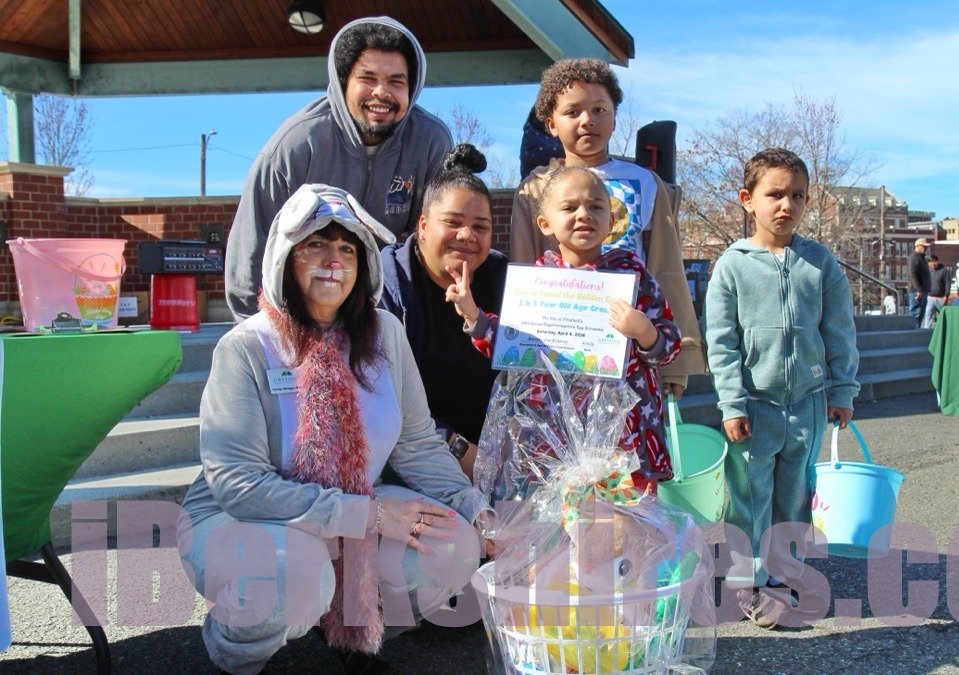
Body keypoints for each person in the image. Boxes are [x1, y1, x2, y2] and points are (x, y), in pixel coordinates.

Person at [180, 185, 484, 675]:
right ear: (285, 257)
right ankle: (236, 655)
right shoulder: (246, 347)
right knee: (291, 578)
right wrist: (369, 515)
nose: (333, 261)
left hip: (354, 502)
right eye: (315, 244)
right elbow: (237, 485)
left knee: (453, 543)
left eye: (348, 248)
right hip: (242, 516)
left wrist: (475, 509)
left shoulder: (385, 334)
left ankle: (353, 635)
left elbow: (416, 443)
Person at [447, 166, 681, 487]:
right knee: (564, 514)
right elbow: (515, 346)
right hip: (556, 438)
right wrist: (474, 315)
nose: (584, 214)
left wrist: (645, 333)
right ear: (545, 224)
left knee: (626, 514)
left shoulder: (632, 275)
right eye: (570, 207)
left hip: (624, 436)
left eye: (596, 206)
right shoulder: (538, 282)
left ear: (611, 221)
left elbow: (669, 346)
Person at [705, 148, 859, 629]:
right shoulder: (732, 266)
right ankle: (749, 583)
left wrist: (842, 390)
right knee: (749, 499)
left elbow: (840, 330)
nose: (786, 204)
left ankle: (785, 576)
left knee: (794, 498)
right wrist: (731, 404)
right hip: (754, 407)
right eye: (774, 194)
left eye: (797, 195)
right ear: (747, 199)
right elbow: (722, 342)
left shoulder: (820, 262)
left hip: (808, 404)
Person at [225, 17, 453, 320]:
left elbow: (439, 239)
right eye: (368, 78)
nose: (381, 92)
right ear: (344, 82)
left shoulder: (430, 142)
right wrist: (257, 330)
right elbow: (253, 244)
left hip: (383, 311)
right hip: (303, 310)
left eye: (396, 82)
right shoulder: (296, 144)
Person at [508, 58, 704, 399]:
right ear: (551, 123)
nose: (587, 120)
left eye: (599, 110)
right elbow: (523, 272)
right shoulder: (536, 189)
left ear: (614, 117)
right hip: (562, 351)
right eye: (572, 112)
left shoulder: (645, 183)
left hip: (633, 349)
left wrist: (677, 362)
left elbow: (666, 270)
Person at [378, 144, 506, 478]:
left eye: (480, 227)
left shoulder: (504, 281)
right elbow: (379, 398)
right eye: (453, 222)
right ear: (422, 226)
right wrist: (459, 450)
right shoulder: (384, 287)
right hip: (410, 460)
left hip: (501, 459)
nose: (467, 236)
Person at [924, 254, 953, 327]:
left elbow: (948, 284)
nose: (933, 264)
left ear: (937, 262)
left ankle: (946, 328)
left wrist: (946, 295)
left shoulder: (943, 271)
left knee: (943, 314)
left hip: (941, 298)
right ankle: (926, 330)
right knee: (928, 314)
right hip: (930, 297)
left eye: (934, 262)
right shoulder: (927, 271)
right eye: (931, 262)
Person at [907, 238, 931, 324]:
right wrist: (918, 289)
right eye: (924, 246)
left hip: (923, 290)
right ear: (917, 246)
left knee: (921, 314)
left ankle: (917, 329)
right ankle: (911, 331)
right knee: (915, 314)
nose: (926, 248)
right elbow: (912, 274)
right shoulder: (913, 258)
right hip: (916, 291)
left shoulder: (922, 258)